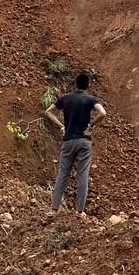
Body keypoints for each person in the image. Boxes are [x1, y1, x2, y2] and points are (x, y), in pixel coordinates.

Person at [45, 73, 106, 215]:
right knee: (83, 176)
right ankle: (79, 212)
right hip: (84, 141)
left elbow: (48, 111)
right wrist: (91, 125)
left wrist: (61, 126)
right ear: (88, 85)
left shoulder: (66, 98)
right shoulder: (90, 99)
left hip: (68, 141)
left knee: (62, 175)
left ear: (75, 84)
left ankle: (54, 210)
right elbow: (103, 113)